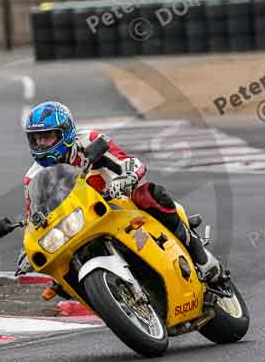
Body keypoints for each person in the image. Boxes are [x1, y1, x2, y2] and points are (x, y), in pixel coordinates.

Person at [20, 101, 223, 284]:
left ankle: (199, 254)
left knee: (149, 193)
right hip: (80, 223)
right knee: (60, 274)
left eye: (47, 137)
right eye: (36, 139)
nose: (41, 144)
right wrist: (27, 250)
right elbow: (34, 220)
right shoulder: (32, 178)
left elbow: (128, 162)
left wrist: (125, 178)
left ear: (65, 133)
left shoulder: (89, 141)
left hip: (118, 203)